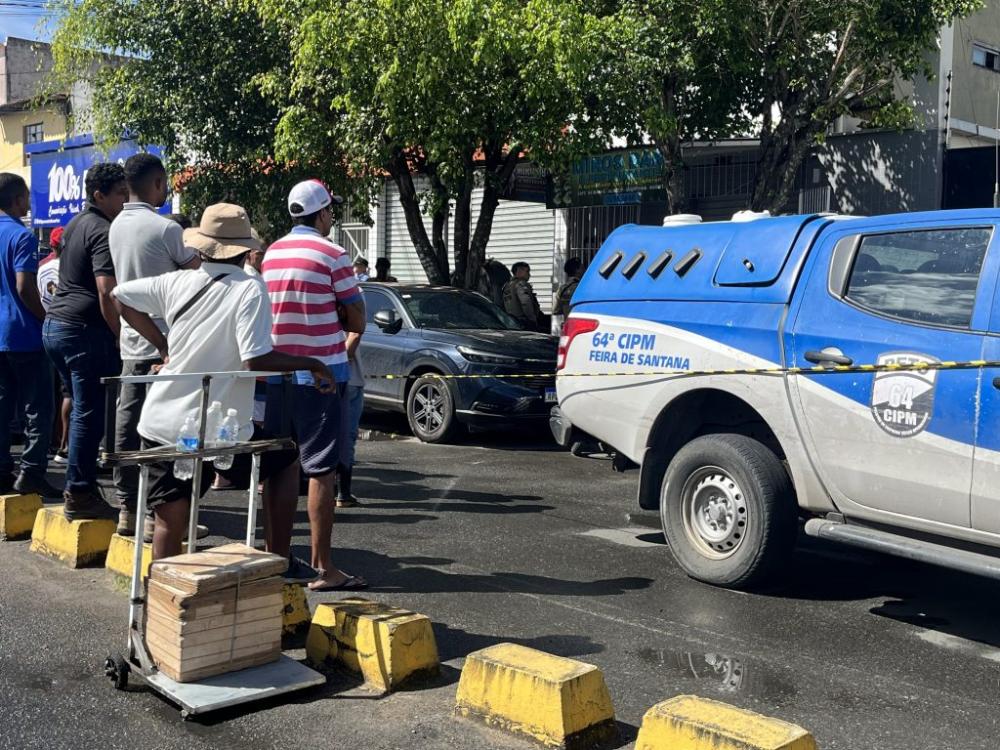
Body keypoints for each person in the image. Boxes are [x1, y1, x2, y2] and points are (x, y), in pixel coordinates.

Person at [111, 202, 335, 567]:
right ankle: (278, 559)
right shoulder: (249, 288)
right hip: (220, 428)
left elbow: (118, 296)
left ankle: (161, 602)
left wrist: (163, 344)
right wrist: (312, 363)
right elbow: (256, 359)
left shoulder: (176, 281)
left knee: (171, 520)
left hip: (163, 420)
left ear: (201, 245)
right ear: (247, 249)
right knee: (285, 460)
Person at [262, 179, 367, 591]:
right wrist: (336, 316)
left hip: (276, 372)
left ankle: (277, 556)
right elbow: (357, 318)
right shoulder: (333, 254)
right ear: (322, 213)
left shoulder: (272, 252)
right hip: (323, 374)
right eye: (330, 211)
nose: (331, 218)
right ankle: (324, 567)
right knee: (322, 468)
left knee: (281, 465)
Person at [109, 153, 201, 536]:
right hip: (167, 344)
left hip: (131, 341)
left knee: (128, 424)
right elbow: (195, 272)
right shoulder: (165, 229)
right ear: (158, 183)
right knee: (165, 430)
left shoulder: (116, 226)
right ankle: (158, 515)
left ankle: (128, 508)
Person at [43, 162, 128, 520]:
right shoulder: (101, 229)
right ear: (99, 195)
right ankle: (79, 492)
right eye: (120, 194)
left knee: (80, 408)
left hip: (56, 327)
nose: (125, 200)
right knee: (88, 414)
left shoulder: (76, 223)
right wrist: (121, 336)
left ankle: (81, 486)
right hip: (82, 330)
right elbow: (106, 291)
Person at [0, 173, 57, 497]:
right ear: (18, 200)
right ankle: (32, 472)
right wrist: (45, 317)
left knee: (3, 406)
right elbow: (24, 286)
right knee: (38, 408)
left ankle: (2, 470)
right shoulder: (21, 236)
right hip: (24, 334)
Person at [37, 225, 71, 464]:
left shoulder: (42, 269)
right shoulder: (71, 270)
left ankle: (54, 442)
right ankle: (64, 444)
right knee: (68, 393)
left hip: (45, 328)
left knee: (50, 394)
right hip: (68, 330)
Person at [502, 261, 542, 331]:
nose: (529, 275)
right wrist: (532, 319)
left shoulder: (507, 286)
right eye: (527, 271)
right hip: (524, 322)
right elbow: (525, 302)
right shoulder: (521, 284)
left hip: (511, 322)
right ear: (519, 271)